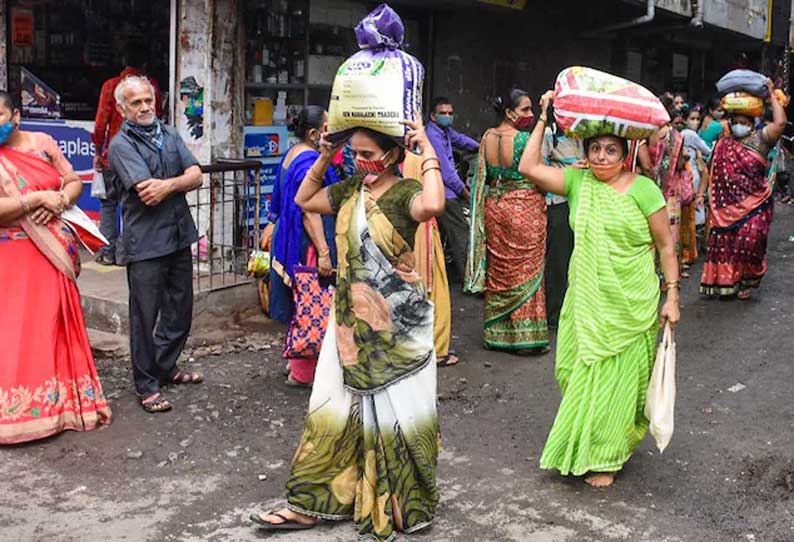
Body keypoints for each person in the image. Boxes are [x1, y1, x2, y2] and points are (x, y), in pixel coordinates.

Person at [249, 118, 445, 540]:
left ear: (392, 155)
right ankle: (312, 502)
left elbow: (433, 206)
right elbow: (304, 198)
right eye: (354, 153)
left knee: (400, 414)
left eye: (368, 155)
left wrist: (426, 149)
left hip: (397, 327)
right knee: (331, 408)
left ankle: (400, 501)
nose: (359, 161)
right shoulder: (350, 191)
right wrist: (324, 153)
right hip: (349, 327)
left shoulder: (405, 194)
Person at [519, 90, 680, 488]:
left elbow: (665, 246)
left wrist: (672, 295)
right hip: (586, 301)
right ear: (585, 151)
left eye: (611, 149)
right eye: (596, 148)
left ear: (625, 152)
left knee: (618, 384)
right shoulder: (578, 182)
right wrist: (543, 117)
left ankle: (606, 455)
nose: (603, 156)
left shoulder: (645, 190)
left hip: (630, 305)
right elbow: (528, 166)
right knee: (574, 375)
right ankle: (587, 441)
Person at [0, 91, 112, 443]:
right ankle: (14, 414)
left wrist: (61, 199)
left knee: (51, 325)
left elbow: (74, 180)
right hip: (10, 254)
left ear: (15, 115)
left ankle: (62, 408)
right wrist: (35, 199)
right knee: (13, 331)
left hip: (50, 254)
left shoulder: (43, 143)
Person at [107, 76, 204, 413]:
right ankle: (146, 384)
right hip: (146, 242)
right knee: (144, 316)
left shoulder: (169, 132)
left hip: (178, 234)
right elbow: (148, 193)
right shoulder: (120, 145)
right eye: (137, 102)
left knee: (181, 310)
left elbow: (197, 173)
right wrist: (179, 182)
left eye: (149, 100)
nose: (146, 107)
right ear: (122, 109)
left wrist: (170, 184)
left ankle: (165, 366)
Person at [465, 88, 549, 355]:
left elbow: (484, 175)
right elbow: (538, 174)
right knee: (527, 270)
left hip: (494, 207)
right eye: (525, 109)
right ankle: (525, 339)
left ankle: (498, 335)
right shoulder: (525, 139)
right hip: (524, 207)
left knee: (500, 270)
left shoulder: (487, 137)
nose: (530, 114)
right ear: (510, 113)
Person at [269, 106, 339, 386]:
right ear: (314, 133)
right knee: (311, 304)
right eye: (327, 125)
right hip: (307, 241)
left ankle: (297, 362)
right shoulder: (311, 161)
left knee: (302, 302)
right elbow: (309, 211)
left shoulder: (292, 153)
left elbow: (277, 199)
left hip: (289, 236)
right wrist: (324, 252)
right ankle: (303, 372)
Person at [700, 79, 787, 299]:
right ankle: (727, 282)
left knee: (750, 242)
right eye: (735, 121)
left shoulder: (760, 139)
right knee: (726, 243)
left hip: (756, 204)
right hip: (725, 208)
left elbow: (779, 124)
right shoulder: (724, 142)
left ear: (751, 123)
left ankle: (748, 278)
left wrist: (771, 95)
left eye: (744, 121)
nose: (739, 125)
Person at [92, 42, 163, 266]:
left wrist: (97, 152)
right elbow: (157, 119)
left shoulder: (110, 86)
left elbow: (100, 124)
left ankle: (107, 251)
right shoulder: (150, 87)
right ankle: (125, 254)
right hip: (141, 157)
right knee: (132, 206)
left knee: (108, 204)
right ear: (144, 63)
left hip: (112, 156)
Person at [426, 96, 479, 284]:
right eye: (443, 113)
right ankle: (470, 280)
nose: (447, 116)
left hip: (444, 191)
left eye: (450, 113)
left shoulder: (445, 131)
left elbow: (461, 140)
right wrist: (466, 193)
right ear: (433, 116)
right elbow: (448, 174)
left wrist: (481, 146)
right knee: (460, 232)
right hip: (443, 193)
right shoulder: (432, 136)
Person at [541, 124, 583, 328]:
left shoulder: (582, 134)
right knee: (558, 260)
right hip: (557, 202)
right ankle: (554, 313)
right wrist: (570, 170)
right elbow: (538, 168)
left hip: (580, 200)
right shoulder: (549, 134)